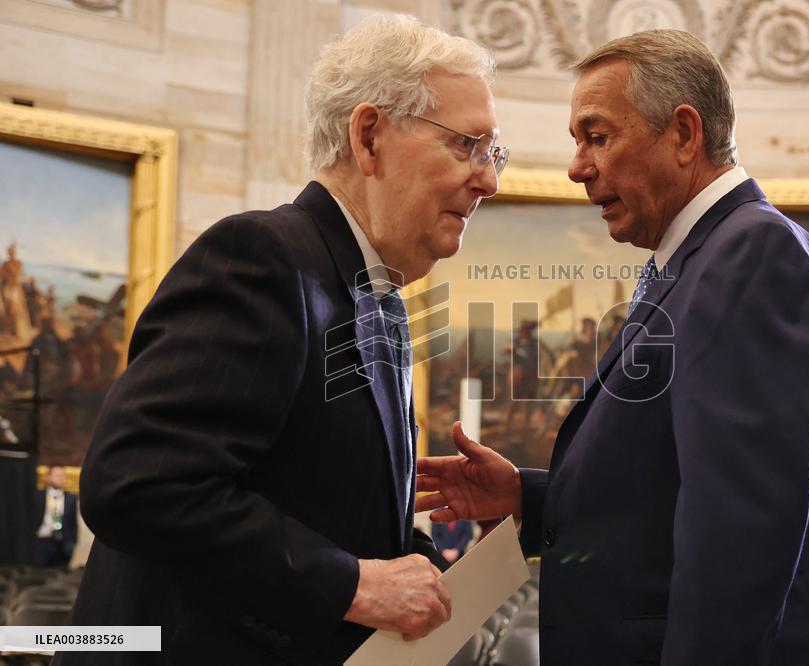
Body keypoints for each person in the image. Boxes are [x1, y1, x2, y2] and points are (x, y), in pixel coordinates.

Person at [58, 15, 505, 666]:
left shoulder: (377, 298)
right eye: (468, 144)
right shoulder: (264, 258)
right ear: (370, 136)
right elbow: (136, 484)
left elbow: (317, 512)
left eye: (494, 153)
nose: (489, 179)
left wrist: (428, 573)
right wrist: (352, 584)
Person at [418, 28, 809, 665]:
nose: (576, 167)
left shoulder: (751, 256)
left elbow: (738, 542)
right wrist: (528, 498)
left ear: (683, 134)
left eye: (597, 136)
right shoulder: (701, 259)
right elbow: (671, 483)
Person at [35, 465, 77, 567]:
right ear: (49, 477)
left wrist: (71, 544)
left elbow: (73, 524)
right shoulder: (38, 495)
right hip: (42, 543)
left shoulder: (70, 498)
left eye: (63, 476)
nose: (61, 478)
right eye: (57, 475)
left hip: (62, 545)